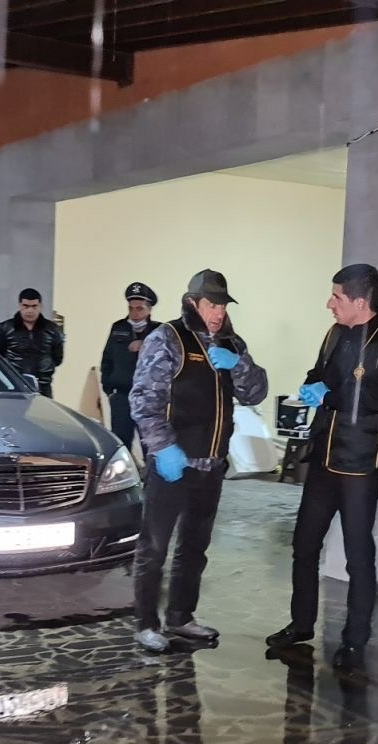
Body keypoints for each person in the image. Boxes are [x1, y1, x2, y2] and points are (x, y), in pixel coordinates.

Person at [266, 264, 378, 674]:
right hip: (324, 457)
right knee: (304, 544)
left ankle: (353, 642)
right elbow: (320, 373)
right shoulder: (334, 334)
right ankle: (300, 624)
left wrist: (330, 394)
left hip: (359, 465)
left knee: (357, 555)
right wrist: (312, 384)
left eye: (337, 297)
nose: (330, 304)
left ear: (360, 302)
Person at [129, 269, 268, 651]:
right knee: (155, 546)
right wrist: (162, 447)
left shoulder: (231, 343)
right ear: (193, 302)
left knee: (194, 547)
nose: (218, 312)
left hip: (211, 465)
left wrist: (237, 365)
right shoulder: (167, 338)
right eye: (211, 304)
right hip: (174, 464)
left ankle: (181, 616)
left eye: (223, 305)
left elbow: (256, 393)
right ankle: (145, 623)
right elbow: (143, 400)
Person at [99, 282, 160, 451]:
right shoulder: (118, 327)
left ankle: (150, 470)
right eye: (131, 308)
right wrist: (108, 388)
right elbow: (107, 359)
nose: (134, 313)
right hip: (121, 395)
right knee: (120, 441)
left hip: (149, 396)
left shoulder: (158, 331)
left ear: (149, 309)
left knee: (151, 443)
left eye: (139, 308)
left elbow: (167, 359)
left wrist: (145, 345)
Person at [0, 288, 64, 397]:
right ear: (20, 306)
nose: (30, 310)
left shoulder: (52, 330)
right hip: (14, 385)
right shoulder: (6, 328)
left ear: (40, 306)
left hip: (43, 386)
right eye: (26, 306)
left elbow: (58, 358)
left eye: (34, 306)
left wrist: (45, 370)